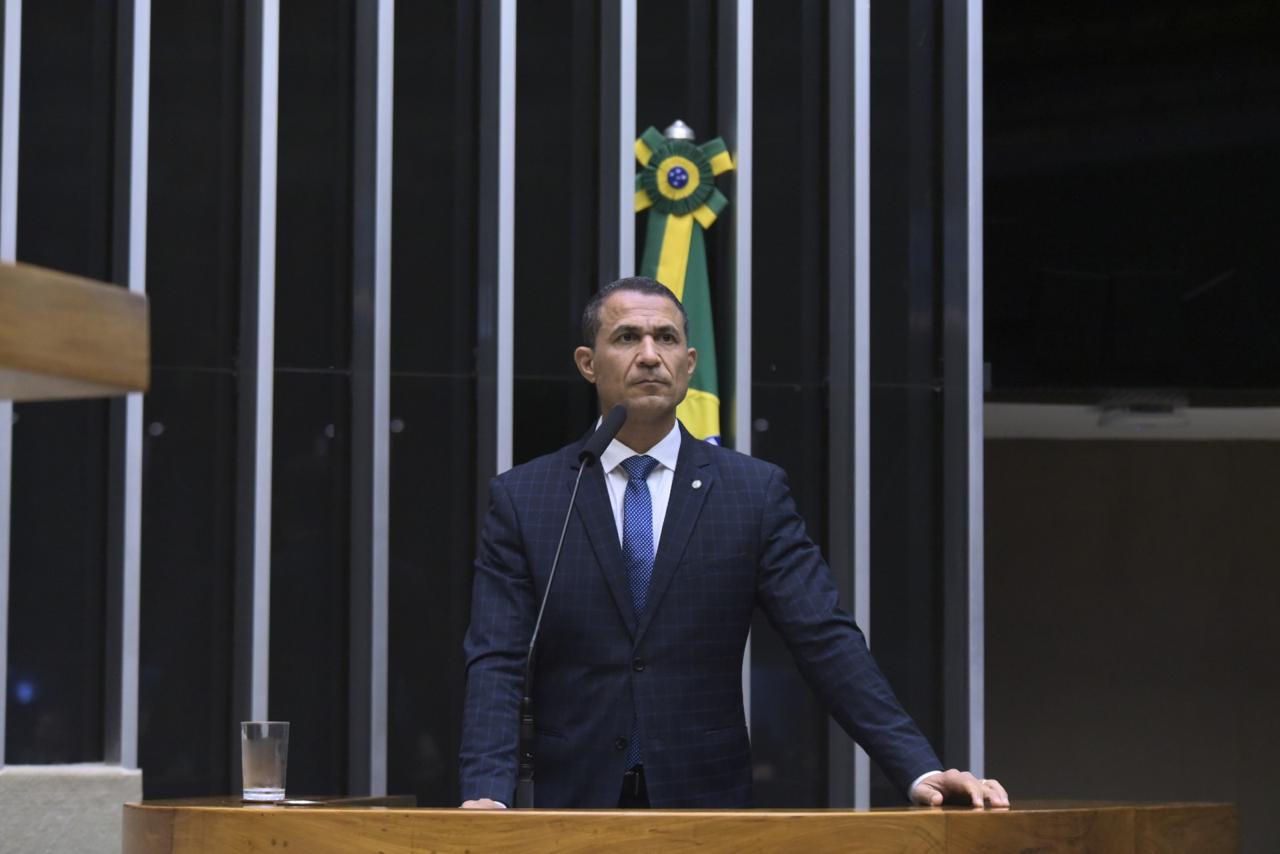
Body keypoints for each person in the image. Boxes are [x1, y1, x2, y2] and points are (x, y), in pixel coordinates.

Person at [460, 276, 1008, 809]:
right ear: (588, 362)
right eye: (627, 337)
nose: (649, 356)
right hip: (572, 801)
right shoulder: (527, 496)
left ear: (689, 364)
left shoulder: (751, 492)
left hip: (706, 801)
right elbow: (497, 658)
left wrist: (918, 768)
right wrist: (487, 794)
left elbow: (825, 639)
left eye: (666, 338)